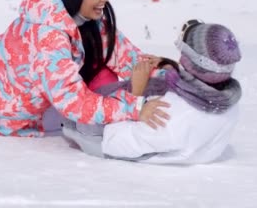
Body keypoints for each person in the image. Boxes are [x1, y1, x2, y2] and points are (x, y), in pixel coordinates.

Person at [0, 0, 170, 137]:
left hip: (36, 87)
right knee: (95, 111)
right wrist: (133, 108)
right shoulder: (48, 40)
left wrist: (171, 77)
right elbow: (73, 102)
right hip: (2, 109)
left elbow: (128, 58)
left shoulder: (86, 17)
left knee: (104, 75)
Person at [62, 20, 243, 164]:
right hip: (152, 132)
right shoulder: (226, 105)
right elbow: (204, 76)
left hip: (94, 135)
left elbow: (114, 143)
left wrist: (136, 94)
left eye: (184, 51)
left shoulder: (167, 115)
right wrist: (172, 66)